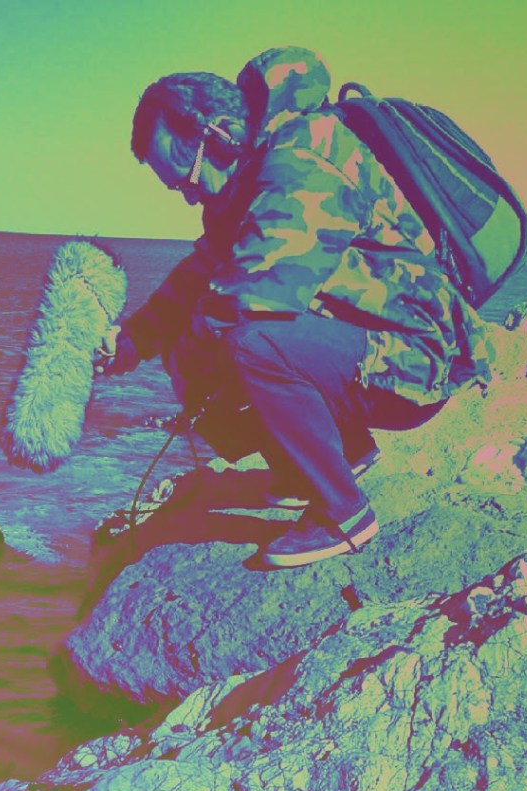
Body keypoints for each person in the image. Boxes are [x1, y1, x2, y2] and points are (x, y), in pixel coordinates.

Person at [97, 46, 486, 569]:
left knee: (247, 341)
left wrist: (187, 356)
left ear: (220, 136)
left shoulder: (306, 155)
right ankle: (338, 455)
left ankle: (342, 513)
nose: (188, 198)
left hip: (416, 358)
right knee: (204, 342)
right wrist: (133, 340)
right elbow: (200, 273)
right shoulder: (251, 174)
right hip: (369, 343)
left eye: (186, 180)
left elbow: (255, 294)